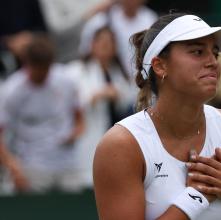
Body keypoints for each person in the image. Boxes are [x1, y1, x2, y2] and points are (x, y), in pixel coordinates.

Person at [93, 13, 221, 220]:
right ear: (160, 66)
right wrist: (195, 197)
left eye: (215, 53)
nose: (213, 62)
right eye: (197, 52)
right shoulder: (120, 145)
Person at [0, 33, 85, 193]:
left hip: (68, 164)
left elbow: (80, 119)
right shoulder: (12, 90)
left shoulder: (66, 81)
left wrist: (75, 133)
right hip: (32, 167)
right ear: (27, 64)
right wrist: (12, 166)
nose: (43, 75)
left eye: (46, 70)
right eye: (39, 70)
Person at [66, 24, 135, 189]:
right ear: (92, 44)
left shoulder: (120, 73)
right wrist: (97, 96)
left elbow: (131, 100)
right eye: (101, 41)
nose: (105, 46)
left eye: (109, 42)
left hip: (114, 134)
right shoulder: (76, 71)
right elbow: (71, 102)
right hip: (88, 136)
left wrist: (117, 95)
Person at [80, 0, 158, 76]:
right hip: (111, 77)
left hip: (141, 77)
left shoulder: (150, 18)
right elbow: (86, 46)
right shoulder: (107, 16)